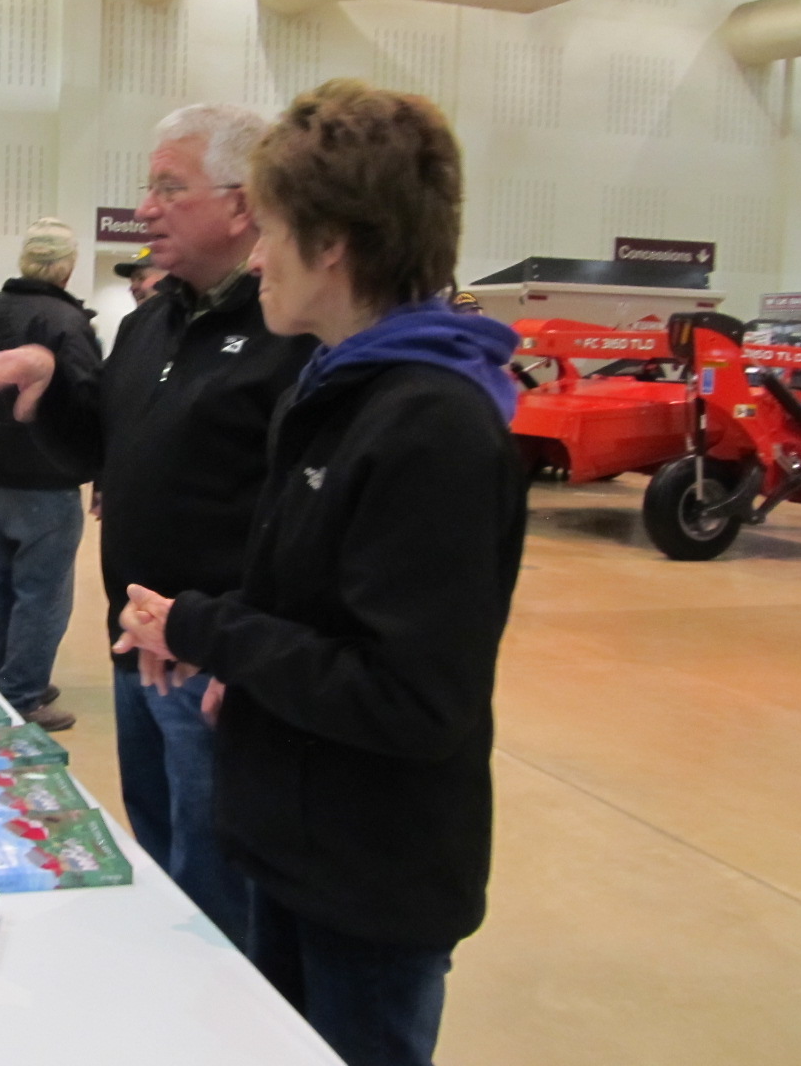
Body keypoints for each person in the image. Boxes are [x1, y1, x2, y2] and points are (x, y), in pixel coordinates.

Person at [115, 80, 527, 1066]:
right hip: (294, 842)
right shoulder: (338, 388)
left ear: (333, 241)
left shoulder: (430, 425)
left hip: (365, 879)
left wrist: (210, 633)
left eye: (272, 230)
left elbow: (409, 696)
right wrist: (240, 666)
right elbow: (313, 602)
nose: (257, 256)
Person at [100, 103, 315, 946]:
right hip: (134, 642)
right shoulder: (149, 322)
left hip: (212, 664)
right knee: (161, 861)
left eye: (168, 187)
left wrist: (236, 644)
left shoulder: (288, 334)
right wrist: (41, 370)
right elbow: (107, 442)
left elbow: (301, 523)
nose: (144, 208)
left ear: (240, 204)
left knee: (217, 891)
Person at [0, 218, 102, 733]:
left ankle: (8, 676)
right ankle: (23, 694)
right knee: (43, 594)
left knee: (0, 586)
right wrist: (96, 465)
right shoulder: (66, 321)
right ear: (67, 267)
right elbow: (85, 399)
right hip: (47, 476)